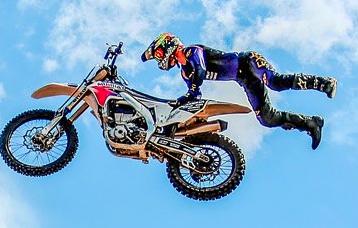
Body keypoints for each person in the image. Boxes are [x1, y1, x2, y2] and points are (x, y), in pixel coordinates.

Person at [141, 33, 336, 149]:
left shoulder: (191, 52)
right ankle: (310, 123)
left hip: (248, 61)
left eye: (158, 54)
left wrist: (190, 92)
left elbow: (200, 71)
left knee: (275, 82)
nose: (159, 59)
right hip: (244, 78)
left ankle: (323, 83)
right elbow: (195, 95)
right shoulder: (185, 72)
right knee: (267, 118)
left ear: (168, 45)